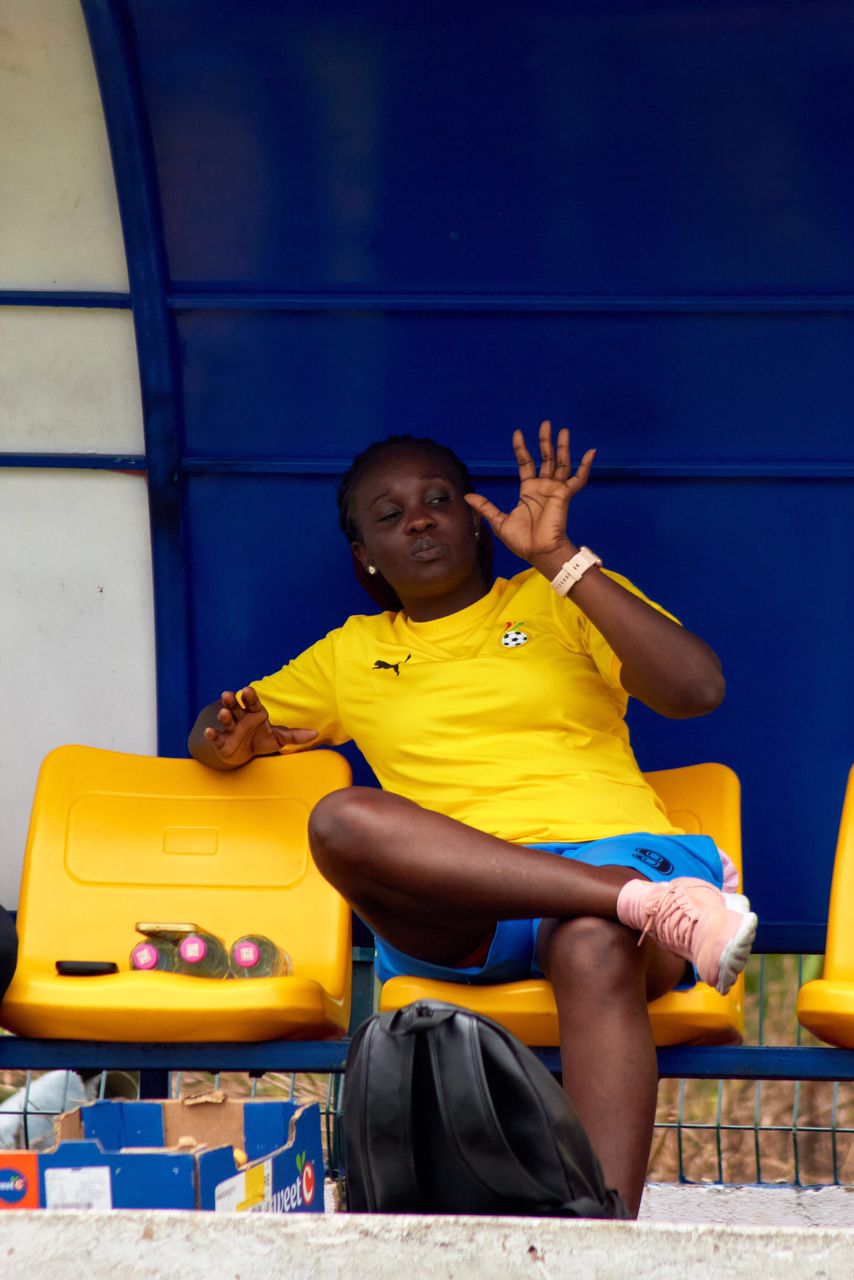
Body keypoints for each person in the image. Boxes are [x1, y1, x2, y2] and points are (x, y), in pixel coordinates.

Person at [189, 421, 757, 1216]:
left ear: (475, 519)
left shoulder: (556, 600)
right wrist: (228, 741)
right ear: (365, 556)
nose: (418, 519)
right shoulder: (351, 654)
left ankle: (600, 1241)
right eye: (389, 515)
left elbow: (697, 689)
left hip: (621, 856)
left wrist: (559, 559)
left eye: (438, 499)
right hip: (470, 906)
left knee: (590, 940)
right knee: (340, 818)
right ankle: (638, 901)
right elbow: (216, 734)